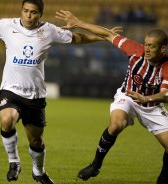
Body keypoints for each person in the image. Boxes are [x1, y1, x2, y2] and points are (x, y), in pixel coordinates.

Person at [0, 0, 114, 183]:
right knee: (7, 120)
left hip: (35, 95)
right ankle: (14, 162)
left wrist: (104, 37)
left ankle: (38, 171)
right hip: (11, 90)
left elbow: (76, 39)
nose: (28, 15)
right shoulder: (6, 25)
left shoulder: (48, 30)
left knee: (36, 141)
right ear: (21, 10)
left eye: (33, 12)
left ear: (40, 14)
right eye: (25, 10)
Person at [55, 10, 168, 184]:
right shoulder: (134, 50)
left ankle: (163, 179)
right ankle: (95, 165)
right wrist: (78, 22)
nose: (146, 49)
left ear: (163, 49)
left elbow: (165, 94)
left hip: (152, 105)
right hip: (128, 96)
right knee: (116, 125)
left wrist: (147, 99)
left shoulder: (166, 66)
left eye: (151, 46)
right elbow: (108, 34)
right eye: (145, 44)